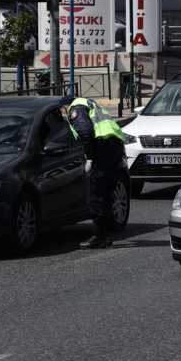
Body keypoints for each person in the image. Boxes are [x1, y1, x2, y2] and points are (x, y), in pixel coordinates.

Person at [62, 94, 129, 248]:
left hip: (102, 149)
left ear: (65, 107)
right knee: (105, 192)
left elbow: (85, 132)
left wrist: (90, 157)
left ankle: (100, 236)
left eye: (63, 111)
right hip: (114, 146)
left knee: (95, 193)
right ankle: (104, 235)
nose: (64, 114)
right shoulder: (90, 104)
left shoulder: (76, 108)